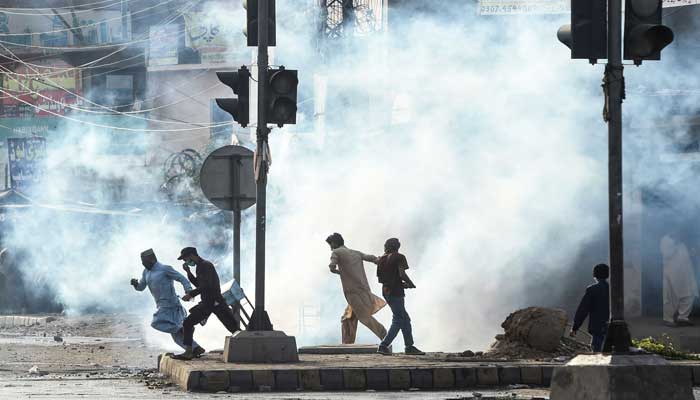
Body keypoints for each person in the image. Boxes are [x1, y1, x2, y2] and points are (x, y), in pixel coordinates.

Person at [131, 249, 205, 356]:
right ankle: (195, 348)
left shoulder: (164, 269)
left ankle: (182, 328)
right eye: (142, 261)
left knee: (156, 322)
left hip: (172, 305)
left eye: (145, 261)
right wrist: (135, 284)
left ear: (152, 259)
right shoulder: (146, 272)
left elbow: (181, 278)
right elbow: (141, 287)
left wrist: (188, 290)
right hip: (161, 305)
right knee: (175, 336)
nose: (143, 264)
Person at [172, 247, 240, 360]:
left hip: (215, 302)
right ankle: (188, 351)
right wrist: (188, 272)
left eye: (185, 259)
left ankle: (246, 349)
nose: (185, 261)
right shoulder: (200, 267)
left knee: (233, 328)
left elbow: (206, 286)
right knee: (188, 323)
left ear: (192, 255)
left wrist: (191, 294)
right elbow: (199, 284)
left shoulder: (205, 266)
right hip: (208, 303)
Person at [326, 233, 387, 344]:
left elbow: (332, 266)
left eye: (330, 244)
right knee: (347, 318)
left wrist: (340, 272)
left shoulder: (336, 252)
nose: (330, 247)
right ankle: (347, 344)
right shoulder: (355, 253)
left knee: (364, 317)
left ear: (334, 243)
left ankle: (384, 335)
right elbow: (372, 258)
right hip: (363, 289)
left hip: (352, 292)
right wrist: (382, 259)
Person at [376, 238, 424, 356]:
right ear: (397, 247)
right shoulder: (399, 257)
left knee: (405, 319)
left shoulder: (381, 259)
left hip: (386, 291)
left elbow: (382, 279)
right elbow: (401, 274)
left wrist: (399, 283)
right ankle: (383, 345)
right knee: (398, 319)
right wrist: (410, 284)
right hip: (396, 292)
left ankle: (409, 346)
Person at [570, 263, 610, 352]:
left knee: (597, 356)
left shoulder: (592, 290)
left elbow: (582, 310)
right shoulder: (612, 289)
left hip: (597, 328)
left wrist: (575, 327)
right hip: (612, 328)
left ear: (594, 275)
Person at [660, 234, 698, 327]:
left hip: (685, 275)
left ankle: (683, 317)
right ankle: (668, 319)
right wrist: (675, 244)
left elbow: (687, 255)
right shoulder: (665, 239)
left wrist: (694, 252)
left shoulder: (682, 243)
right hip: (672, 275)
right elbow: (667, 254)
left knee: (689, 295)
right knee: (670, 297)